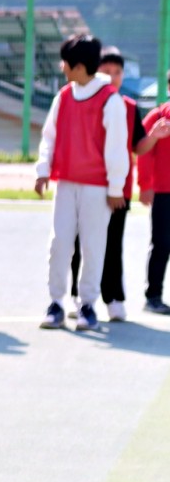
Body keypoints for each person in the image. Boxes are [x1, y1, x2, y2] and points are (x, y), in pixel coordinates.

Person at [35, 34, 130, 332]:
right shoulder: (62, 97)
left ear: (78, 66)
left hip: (97, 188)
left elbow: (117, 146)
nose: (62, 66)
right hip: (66, 183)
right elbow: (49, 137)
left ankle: (87, 305)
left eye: (65, 61)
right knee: (59, 243)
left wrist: (116, 188)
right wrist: (42, 169)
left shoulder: (109, 100)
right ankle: (56, 303)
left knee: (93, 246)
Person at [67, 47, 162, 321]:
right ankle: (75, 296)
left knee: (112, 245)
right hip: (84, 185)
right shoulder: (78, 101)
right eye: (106, 71)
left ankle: (114, 298)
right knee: (78, 242)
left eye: (117, 72)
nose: (112, 76)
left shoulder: (130, 108)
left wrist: (154, 136)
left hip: (116, 190)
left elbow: (138, 146)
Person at [134, 70, 170, 314]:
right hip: (164, 193)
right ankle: (153, 296)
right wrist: (145, 185)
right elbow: (143, 152)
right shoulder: (157, 117)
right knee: (162, 244)